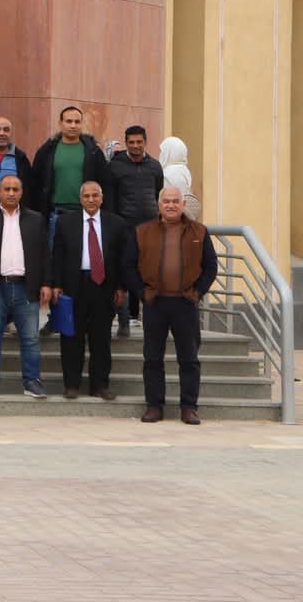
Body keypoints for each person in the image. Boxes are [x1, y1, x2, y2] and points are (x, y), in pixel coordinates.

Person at [124, 186, 217, 424]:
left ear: (183, 205)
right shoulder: (142, 231)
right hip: (155, 302)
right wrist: (142, 293)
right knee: (152, 358)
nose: (171, 205)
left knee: (189, 358)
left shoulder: (199, 231)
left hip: (185, 303)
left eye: (176, 201)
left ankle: (189, 407)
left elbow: (211, 267)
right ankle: (154, 406)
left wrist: (197, 292)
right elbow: (129, 266)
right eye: (166, 201)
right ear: (159, 205)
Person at [0, 175, 49, 398]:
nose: (11, 193)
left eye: (15, 189)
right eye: (7, 189)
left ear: (21, 192)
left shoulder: (36, 219)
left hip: (26, 287)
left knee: (30, 339)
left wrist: (46, 283)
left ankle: (32, 381)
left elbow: (44, 254)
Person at [49, 181, 129, 400]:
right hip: (73, 285)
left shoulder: (116, 223)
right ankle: (72, 384)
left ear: (102, 198)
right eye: (86, 196)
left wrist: (121, 286)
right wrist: (56, 284)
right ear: (80, 199)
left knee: (101, 338)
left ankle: (100, 385)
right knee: (71, 338)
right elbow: (57, 255)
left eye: (95, 195)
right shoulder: (66, 222)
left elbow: (123, 259)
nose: (91, 199)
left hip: (104, 286)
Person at [108, 126, 163, 338]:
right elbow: (111, 197)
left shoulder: (155, 166)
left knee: (148, 276)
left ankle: (151, 322)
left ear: (145, 142)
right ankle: (123, 321)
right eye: (131, 142)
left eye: (139, 142)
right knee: (123, 275)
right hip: (124, 229)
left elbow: (158, 194)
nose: (135, 146)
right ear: (126, 143)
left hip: (150, 231)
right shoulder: (115, 166)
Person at [31, 105, 110, 242]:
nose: (73, 126)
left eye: (77, 122)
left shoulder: (93, 152)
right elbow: (36, 182)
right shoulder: (47, 151)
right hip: (55, 215)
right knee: (55, 253)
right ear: (60, 123)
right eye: (69, 121)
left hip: (85, 214)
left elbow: (105, 183)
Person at [158, 136, 203, 220]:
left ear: (169, 152)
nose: (160, 154)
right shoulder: (183, 170)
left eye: (162, 151)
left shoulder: (169, 173)